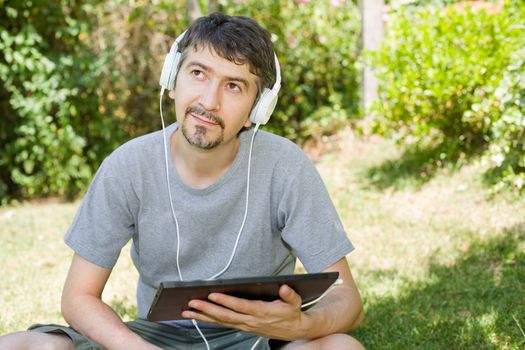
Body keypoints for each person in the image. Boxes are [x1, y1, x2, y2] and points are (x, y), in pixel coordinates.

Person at [0, 12, 364, 350]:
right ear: (172, 79)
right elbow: (78, 298)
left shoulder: (286, 166)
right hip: (156, 338)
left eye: (234, 86)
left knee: (342, 347)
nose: (209, 100)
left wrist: (300, 326)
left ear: (258, 109)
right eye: (198, 73)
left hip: (257, 337)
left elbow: (348, 301)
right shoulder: (128, 165)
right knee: (26, 345)